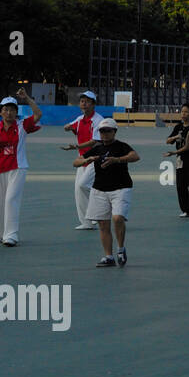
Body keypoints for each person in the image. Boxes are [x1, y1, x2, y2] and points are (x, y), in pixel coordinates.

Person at [74, 117, 139, 268]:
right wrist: (86, 160)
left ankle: (121, 249)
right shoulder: (96, 148)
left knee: (117, 218)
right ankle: (108, 256)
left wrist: (117, 160)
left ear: (114, 132)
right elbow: (76, 161)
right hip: (100, 189)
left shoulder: (121, 146)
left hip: (121, 188)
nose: (104, 134)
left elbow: (135, 156)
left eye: (108, 131)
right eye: (102, 131)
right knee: (103, 224)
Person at [0, 92, 43, 247]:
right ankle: (0, 233)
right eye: (5, 109)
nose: (8, 113)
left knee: (10, 200)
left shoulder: (22, 125)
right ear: (1, 111)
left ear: (16, 112)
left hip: (18, 168)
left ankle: (11, 235)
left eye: (12, 109)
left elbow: (38, 114)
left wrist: (27, 98)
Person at [61, 90, 105, 230]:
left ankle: (97, 212)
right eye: (82, 101)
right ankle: (87, 221)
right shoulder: (80, 119)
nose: (83, 104)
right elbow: (70, 126)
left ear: (93, 104)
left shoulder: (98, 120)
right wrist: (68, 128)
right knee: (78, 189)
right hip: (83, 158)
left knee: (83, 185)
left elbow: (95, 141)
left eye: (87, 101)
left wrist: (77, 146)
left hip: (96, 157)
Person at [165, 102, 189, 218]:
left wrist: (175, 152)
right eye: (182, 111)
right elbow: (168, 141)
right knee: (181, 185)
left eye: (186, 112)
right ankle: (186, 209)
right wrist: (176, 137)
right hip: (181, 160)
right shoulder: (178, 127)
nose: (183, 114)